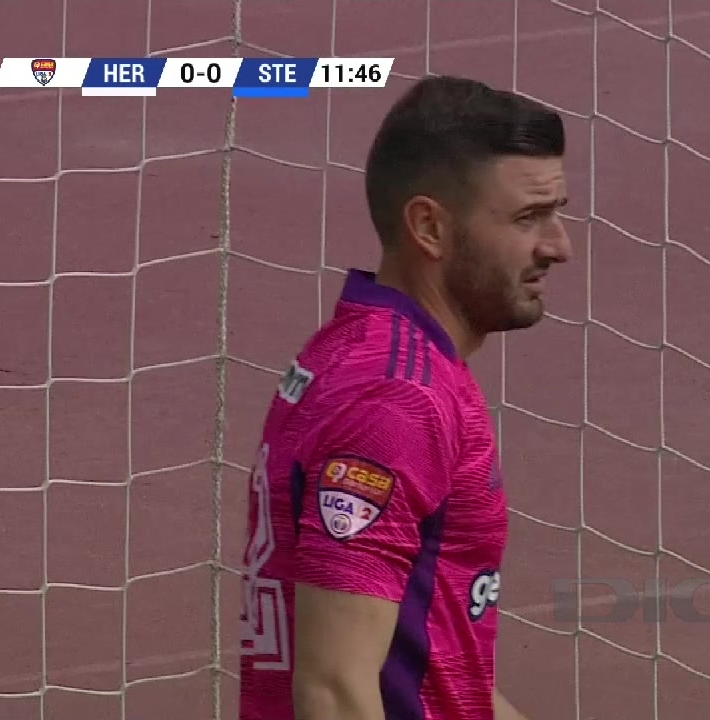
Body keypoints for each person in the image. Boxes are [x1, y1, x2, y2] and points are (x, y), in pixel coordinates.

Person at [237, 75, 572, 720]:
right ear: (430, 227)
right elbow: (333, 691)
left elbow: (442, 674)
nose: (559, 246)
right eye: (530, 217)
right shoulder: (395, 399)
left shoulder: (379, 355)